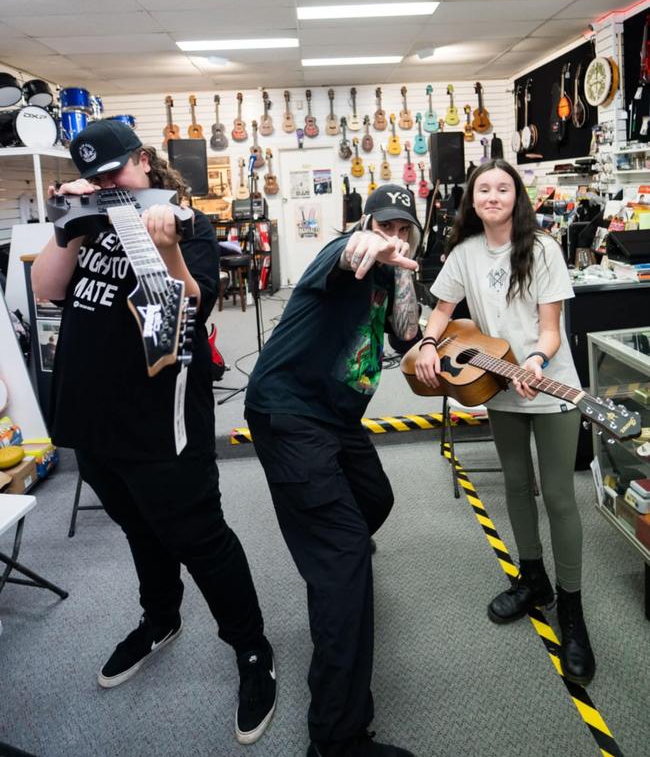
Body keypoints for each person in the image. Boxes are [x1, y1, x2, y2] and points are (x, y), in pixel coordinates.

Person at [31, 119, 276, 744]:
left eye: (114, 173)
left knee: (201, 539)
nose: (105, 185)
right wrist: (68, 218)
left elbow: (187, 306)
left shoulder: (187, 224)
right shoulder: (88, 223)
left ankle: (251, 649)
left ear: (143, 163)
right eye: (94, 177)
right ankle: (160, 618)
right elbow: (48, 289)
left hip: (160, 425)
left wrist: (164, 245)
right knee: (138, 528)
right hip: (92, 420)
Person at [245, 185, 422, 757]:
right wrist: (369, 244)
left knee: (375, 501)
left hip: (337, 417)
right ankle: (336, 737)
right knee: (344, 565)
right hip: (291, 413)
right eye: (385, 226)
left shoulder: (396, 272)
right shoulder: (342, 251)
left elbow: (408, 334)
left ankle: (335, 553)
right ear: (367, 221)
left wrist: (404, 271)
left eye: (405, 230)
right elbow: (350, 255)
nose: (394, 238)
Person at [414, 159, 596, 686]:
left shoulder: (542, 249)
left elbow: (550, 330)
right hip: (497, 384)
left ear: (518, 197)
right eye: (484, 189)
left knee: (559, 495)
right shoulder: (464, 253)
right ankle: (533, 578)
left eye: (503, 188)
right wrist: (429, 341)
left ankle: (572, 607)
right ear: (472, 200)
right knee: (516, 486)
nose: (493, 196)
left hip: (549, 384)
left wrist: (535, 363)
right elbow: (442, 310)